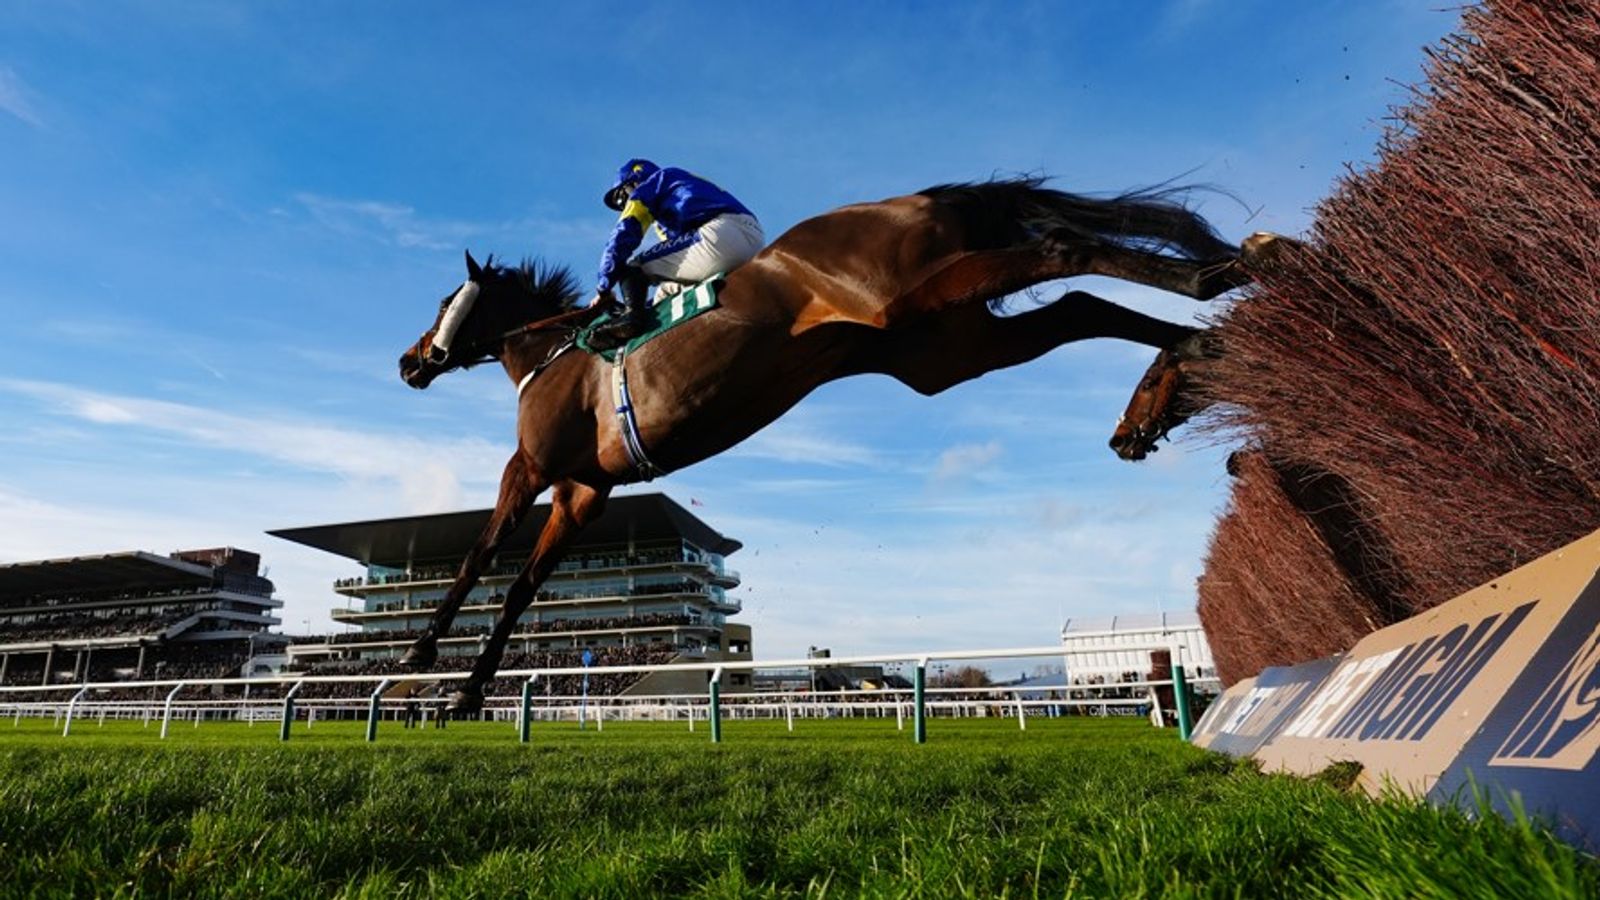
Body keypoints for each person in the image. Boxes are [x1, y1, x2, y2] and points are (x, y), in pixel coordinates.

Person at [587, 159, 765, 350]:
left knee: (633, 267)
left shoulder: (650, 186)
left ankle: (632, 320)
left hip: (720, 235)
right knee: (662, 295)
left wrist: (603, 288)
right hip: (752, 237)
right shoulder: (674, 187)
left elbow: (623, 234)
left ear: (634, 181)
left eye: (622, 197)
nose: (624, 205)